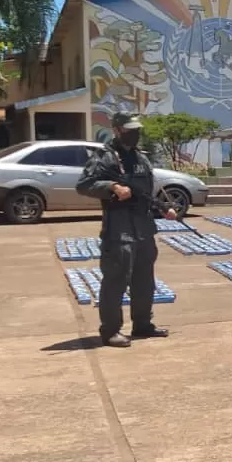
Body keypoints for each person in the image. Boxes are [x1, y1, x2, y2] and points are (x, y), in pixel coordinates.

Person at [76, 112, 177, 348]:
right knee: (115, 280)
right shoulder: (105, 157)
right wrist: (112, 186)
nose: (135, 133)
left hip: (143, 228)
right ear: (117, 130)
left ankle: (142, 324)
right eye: (130, 129)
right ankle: (110, 331)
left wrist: (163, 208)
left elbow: (146, 193)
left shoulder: (140, 158)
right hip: (118, 229)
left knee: (145, 281)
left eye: (137, 129)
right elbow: (84, 184)